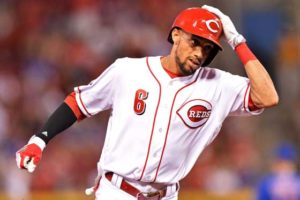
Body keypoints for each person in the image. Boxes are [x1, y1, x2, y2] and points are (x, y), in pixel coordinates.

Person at [15, 5, 279, 200]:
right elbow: (79, 103)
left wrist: (237, 41)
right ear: (176, 35)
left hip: (167, 194)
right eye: (194, 42)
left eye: (207, 48)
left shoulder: (218, 84)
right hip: (117, 191)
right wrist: (39, 140)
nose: (199, 52)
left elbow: (268, 97)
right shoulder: (128, 71)